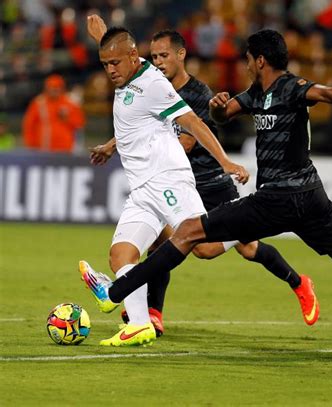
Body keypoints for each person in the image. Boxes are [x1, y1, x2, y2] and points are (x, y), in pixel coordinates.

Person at [80, 29, 332, 368]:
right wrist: (218, 109)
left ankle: (114, 293)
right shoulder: (256, 95)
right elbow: (226, 113)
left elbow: (324, 92)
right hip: (312, 199)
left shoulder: (293, 87)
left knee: (188, 234)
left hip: (277, 199)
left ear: (260, 60)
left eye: (248, 60)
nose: (246, 66)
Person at [85, 16, 319, 339]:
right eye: (154, 57)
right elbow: (140, 122)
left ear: (181, 56)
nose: (158, 62)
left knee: (224, 248)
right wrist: (114, 145)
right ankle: (146, 318)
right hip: (154, 184)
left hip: (203, 179)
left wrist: (225, 162)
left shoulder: (184, 91)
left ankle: (289, 268)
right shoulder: (134, 72)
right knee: (147, 249)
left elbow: (190, 132)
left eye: (164, 56)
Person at [79, 24, 249, 347]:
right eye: (104, 64)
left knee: (204, 248)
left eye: (115, 63)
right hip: (142, 190)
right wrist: (101, 34)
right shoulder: (129, 64)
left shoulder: (154, 85)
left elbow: (193, 122)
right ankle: (140, 324)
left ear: (132, 57)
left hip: (168, 179)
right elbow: (117, 49)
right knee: (121, 255)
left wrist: (226, 163)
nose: (110, 71)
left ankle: (252, 217)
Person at [22, 74, 85, 152]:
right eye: (51, 88)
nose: (54, 90)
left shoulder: (70, 103)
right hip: (43, 148)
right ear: (46, 88)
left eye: (57, 88)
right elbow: (29, 125)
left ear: (62, 88)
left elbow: (79, 124)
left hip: (65, 148)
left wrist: (67, 118)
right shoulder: (39, 103)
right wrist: (30, 145)